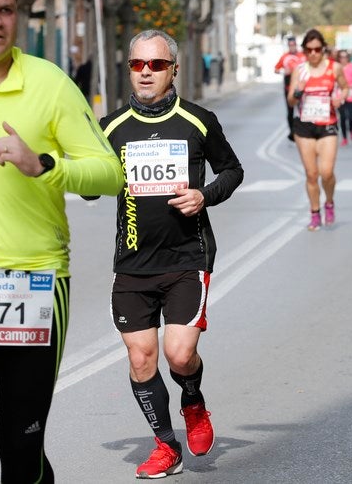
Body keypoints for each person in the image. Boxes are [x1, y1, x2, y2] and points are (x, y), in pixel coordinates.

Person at [0, 0, 123, 483]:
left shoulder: (48, 83)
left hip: (30, 280)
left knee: (18, 444)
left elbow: (110, 174)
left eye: (6, 9)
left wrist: (43, 164)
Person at [99, 29, 243, 479]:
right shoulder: (110, 128)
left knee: (179, 355)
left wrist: (204, 195)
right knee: (142, 357)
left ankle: (194, 402)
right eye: (137, 64)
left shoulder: (198, 121)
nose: (146, 72)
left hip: (187, 257)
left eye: (156, 65)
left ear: (173, 70)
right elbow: (90, 184)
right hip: (133, 263)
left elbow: (232, 170)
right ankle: (166, 446)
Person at [287, 30, 349, 230]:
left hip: (327, 124)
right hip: (304, 126)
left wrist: (341, 98)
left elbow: (345, 87)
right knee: (312, 174)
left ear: (323, 49)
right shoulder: (300, 70)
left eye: (317, 49)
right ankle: (315, 213)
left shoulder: (334, 68)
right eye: (309, 50)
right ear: (304, 51)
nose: (313, 53)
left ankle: (329, 202)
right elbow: (291, 100)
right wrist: (299, 91)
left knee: (327, 172)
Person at [274, 36, 305, 141]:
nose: (292, 47)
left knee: (302, 109)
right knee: (290, 110)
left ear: (296, 44)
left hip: (301, 87)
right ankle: (292, 132)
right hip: (288, 87)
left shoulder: (302, 55)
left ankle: (302, 131)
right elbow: (276, 69)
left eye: (293, 45)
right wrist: (284, 71)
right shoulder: (284, 57)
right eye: (290, 45)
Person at [337, 49, 352, 146]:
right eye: (341, 57)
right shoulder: (336, 67)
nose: (343, 59)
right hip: (340, 94)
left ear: (348, 58)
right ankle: (345, 138)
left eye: (345, 57)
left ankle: (351, 129)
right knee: (342, 117)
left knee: (351, 117)